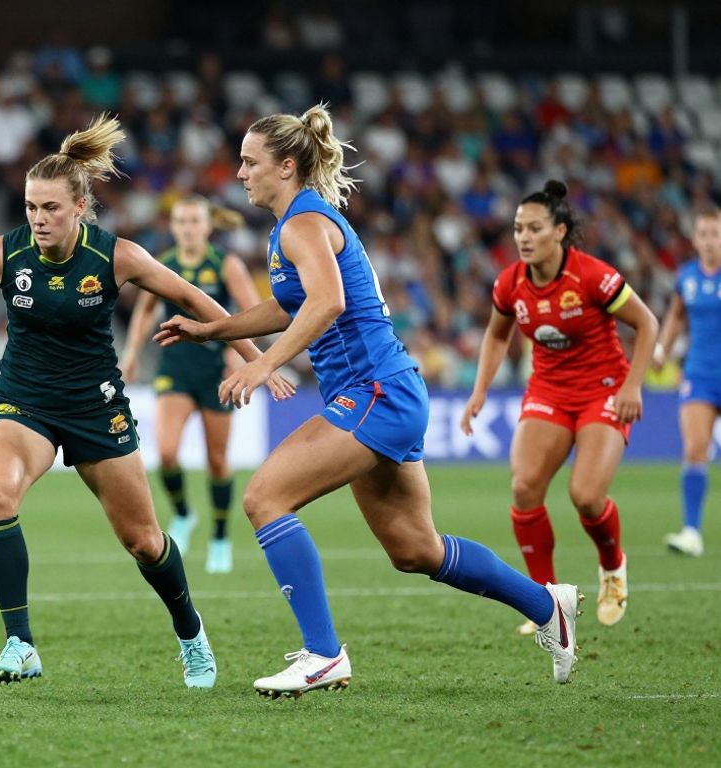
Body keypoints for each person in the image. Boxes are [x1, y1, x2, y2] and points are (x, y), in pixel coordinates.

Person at [157, 104, 583, 697]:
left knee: (264, 497)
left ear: (285, 166)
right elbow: (287, 306)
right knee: (416, 550)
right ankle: (547, 605)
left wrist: (262, 365)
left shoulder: (304, 222)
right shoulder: (298, 224)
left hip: (374, 393)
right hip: (388, 392)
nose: (239, 173)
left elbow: (327, 302)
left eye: (250, 163)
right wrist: (214, 331)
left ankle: (323, 654)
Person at [0, 115, 266, 688]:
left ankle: (191, 632)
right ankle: (20, 644)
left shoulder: (115, 256)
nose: (38, 219)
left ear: (79, 206)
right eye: (30, 207)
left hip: (96, 407)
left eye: (50, 208)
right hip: (24, 402)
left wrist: (254, 356)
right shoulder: (3, 254)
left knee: (144, 542)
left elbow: (193, 297)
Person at [462, 180, 658, 634]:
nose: (523, 238)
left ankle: (612, 566)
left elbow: (646, 324)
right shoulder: (510, 282)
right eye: (517, 229)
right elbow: (496, 334)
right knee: (524, 487)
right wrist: (480, 390)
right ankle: (545, 600)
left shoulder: (593, 276)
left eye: (534, 228)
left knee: (586, 497)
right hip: (548, 392)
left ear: (560, 231)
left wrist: (632, 387)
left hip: (603, 391)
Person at [121, 196, 260, 573]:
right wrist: (132, 351)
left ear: (207, 226)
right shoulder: (163, 265)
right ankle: (183, 513)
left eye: (194, 221)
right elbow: (146, 310)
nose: (187, 228)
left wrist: (239, 355)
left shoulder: (226, 265)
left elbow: (253, 313)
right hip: (175, 370)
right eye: (181, 221)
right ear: (173, 226)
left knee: (217, 461)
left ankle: (219, 537)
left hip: (217, 373)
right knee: (165, 452)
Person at [653, 209, 721, 557]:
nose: (710, 240)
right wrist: (662, 348)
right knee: (695, 448)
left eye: (715, 233)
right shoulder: (688, 277)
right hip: (700, 373)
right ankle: (691, 531)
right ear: (695, 239)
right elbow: (676, 315)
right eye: (704, 234)